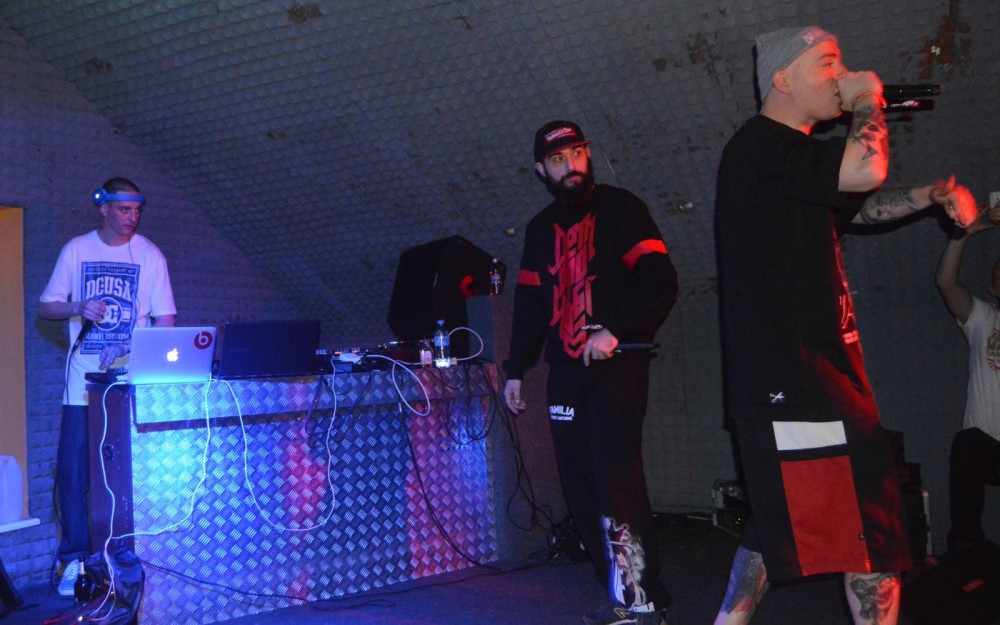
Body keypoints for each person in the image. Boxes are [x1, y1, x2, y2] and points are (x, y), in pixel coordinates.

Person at [713, 26, 978, 625]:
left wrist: (928, 195)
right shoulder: (760, 146)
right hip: (800, 381)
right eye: (827, 63)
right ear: (783, 79)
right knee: (870, 529)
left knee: (779, 524)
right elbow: (864, 169)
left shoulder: (787, 158)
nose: (841, 73)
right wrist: (866, 98)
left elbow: (859, 205)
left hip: (805, 380)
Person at [503, 120, 678, 625]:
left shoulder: (622, 208)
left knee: (614, 477)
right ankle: (619, 592)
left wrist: (616, 331)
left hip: (617, 366)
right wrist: (515, 369)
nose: (571, 166)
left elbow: (660, 280)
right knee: (579, 485)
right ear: (542, 170)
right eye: (558, 160)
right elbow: (530, 305)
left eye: (576, 154)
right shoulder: (539, 230)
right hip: (565, 372)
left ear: (588, 154)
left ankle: (643, 599)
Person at [38, 177, 177, 596]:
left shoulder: (150, 254)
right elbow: (46, 307)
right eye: (123, 209)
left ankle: (127, 560)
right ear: (103, 207)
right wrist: (79, 305)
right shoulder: (77, 250)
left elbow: (166, 320)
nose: (132, 217)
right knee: (73, 475)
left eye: (137, 210)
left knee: (126, 479)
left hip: (128, 388)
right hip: (82, 387)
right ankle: (74, 560)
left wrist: (130, 344)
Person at [935, 203, 1000, 552]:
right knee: (968, 444)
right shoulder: (984, 320)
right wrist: (964, 233)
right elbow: (946, 282)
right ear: (994, 290)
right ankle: (966, 544)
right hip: (987, 444)